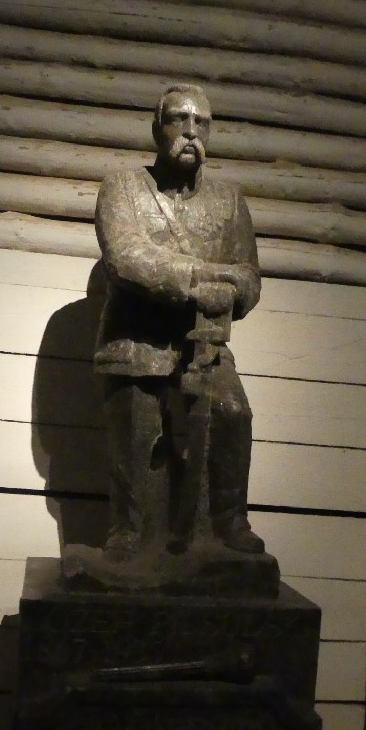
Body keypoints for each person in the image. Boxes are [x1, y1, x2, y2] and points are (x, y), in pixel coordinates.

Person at [94, 83, 264, 559]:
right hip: (136, 338)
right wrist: (202, 279)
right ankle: (130, 531)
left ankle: (228, 522)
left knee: (233, 414)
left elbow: (249, 275)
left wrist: (233, 290)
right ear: (158, 129)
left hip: (203, 343)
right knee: (137, 429)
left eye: (201, 123)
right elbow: (127, 258)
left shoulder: (229, 201)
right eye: (178, 120)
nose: (191, 131)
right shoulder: (122, 188)